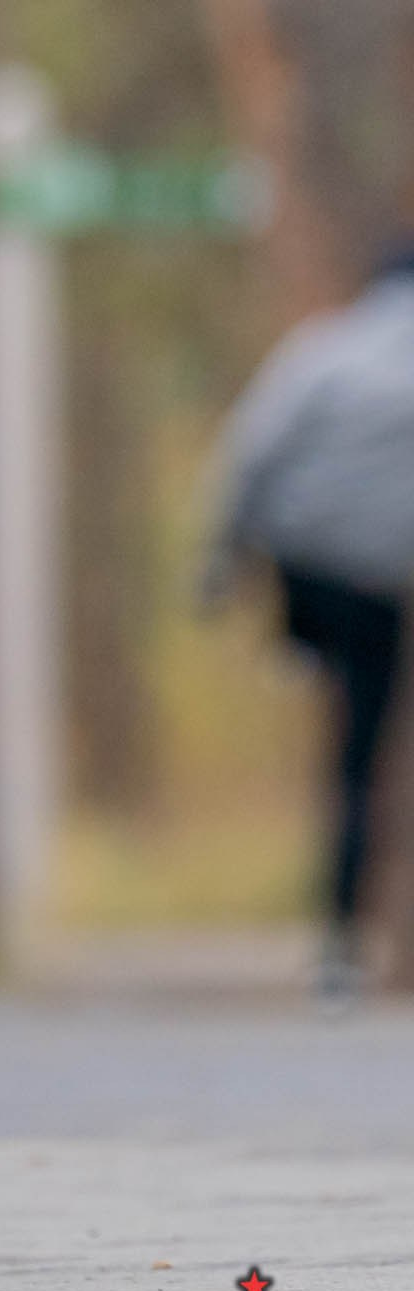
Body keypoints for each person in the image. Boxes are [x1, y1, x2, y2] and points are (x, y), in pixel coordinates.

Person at [205, 243, 414, 997]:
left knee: (312, 588)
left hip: (307, 561)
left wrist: (220, 563)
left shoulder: (324, 352)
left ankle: (300, 643)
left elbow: (252, 454)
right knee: (358, 757)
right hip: (382, 580)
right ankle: (341, 941)